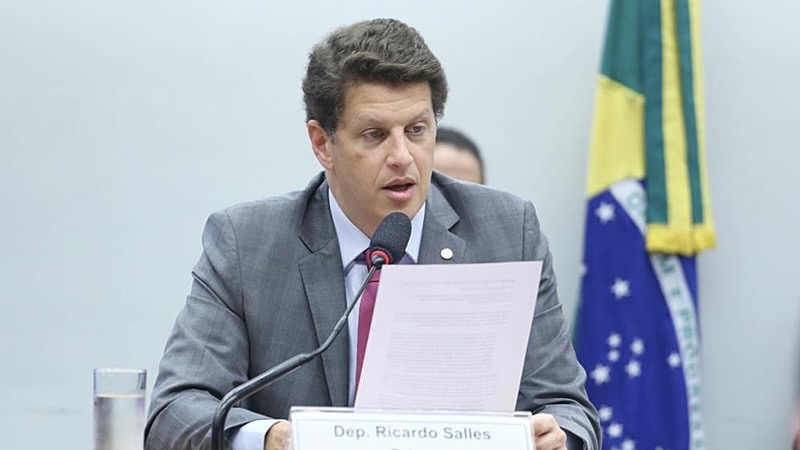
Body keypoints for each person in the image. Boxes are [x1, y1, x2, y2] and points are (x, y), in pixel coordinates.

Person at [145, 18, 600, 450]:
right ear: (323, 143)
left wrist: (556, 435)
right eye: (375, 134)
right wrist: (271, 439)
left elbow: (570, 408)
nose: (403, 156)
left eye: (417, 130)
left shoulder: (506, 231)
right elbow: (175, 411)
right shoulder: (248, 244)